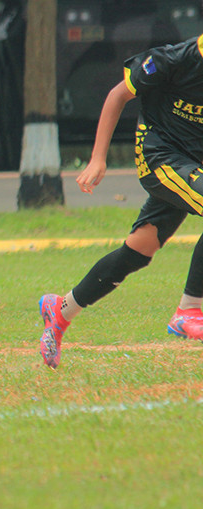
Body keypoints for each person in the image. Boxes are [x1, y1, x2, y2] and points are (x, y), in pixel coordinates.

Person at [40, 34, 203, 369]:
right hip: (159, 156)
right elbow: (117, 95)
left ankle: (61, 310)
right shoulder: (172, 60)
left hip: (194, 165)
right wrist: (97, 158)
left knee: (138, 251)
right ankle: (189, 310)